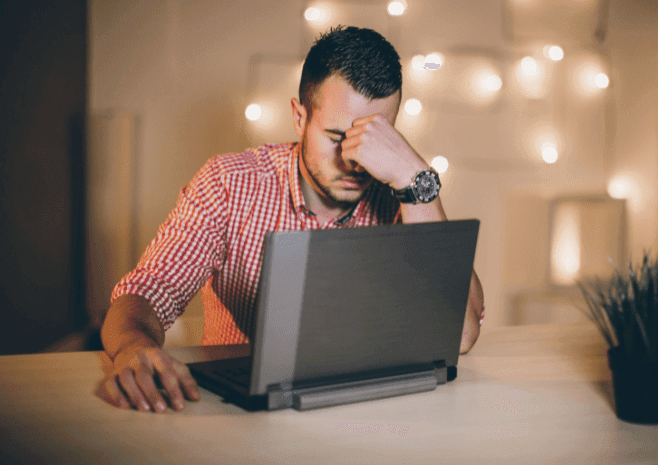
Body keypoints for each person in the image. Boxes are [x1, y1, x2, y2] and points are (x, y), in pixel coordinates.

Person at [99, 25, 485, 413]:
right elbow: (148, 292)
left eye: (372, 138)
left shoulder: (404, 193)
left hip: (371, 412)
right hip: (243, 415)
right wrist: (134, 347)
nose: (354, 160)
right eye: (337, 137)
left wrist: (414, 178)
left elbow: (462, 333)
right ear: (299, 119)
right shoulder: (229, 185)